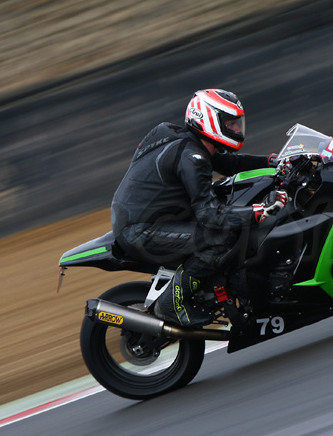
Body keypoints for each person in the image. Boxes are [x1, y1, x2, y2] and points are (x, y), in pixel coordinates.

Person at [110, 89, 287, 327]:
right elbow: (209, 215)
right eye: (230, 124)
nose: (236, 130)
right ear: (209, 120)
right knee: (220, 237)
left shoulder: (191, 144)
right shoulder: (192, 157)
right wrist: (257, 212)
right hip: (142, 229)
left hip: (149, 217)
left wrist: (271, 162)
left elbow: (229, 163)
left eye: (237, 123)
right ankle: (171, 303)